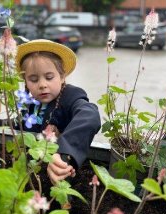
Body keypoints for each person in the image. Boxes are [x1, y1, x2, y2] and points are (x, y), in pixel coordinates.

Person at [15, 39, 101, 185]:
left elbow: (89, 115)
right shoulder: (31, 104)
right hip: (34, 170)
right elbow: (19, 126)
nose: (42, 85)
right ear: (26, 83)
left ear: (62, 76)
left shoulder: (70, 97)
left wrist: (63, 151)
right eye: (33, 79)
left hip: (62, 166)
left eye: (49, 77)